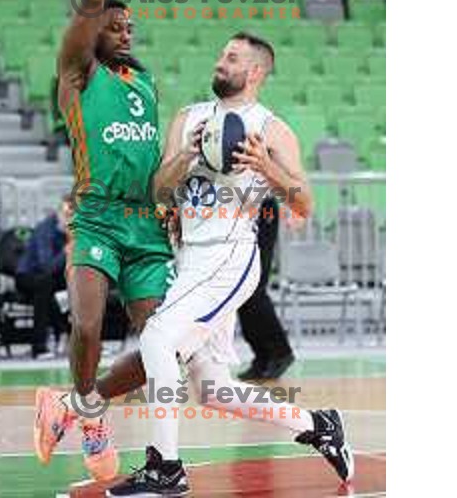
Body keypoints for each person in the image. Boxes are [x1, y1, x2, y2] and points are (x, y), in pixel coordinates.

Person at [107, 32, 354, 496]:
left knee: (159, 338)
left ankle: (165, 468)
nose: (221, 62)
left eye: (232, 58)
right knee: (213, 389)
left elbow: (304, 204)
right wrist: (185, 155)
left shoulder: (272, 129)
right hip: (190, 259)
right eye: (221, 54)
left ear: (256, 72)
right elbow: (160, 191)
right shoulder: (189, 118)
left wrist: (266, 167)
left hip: (231, 254)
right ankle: (318, 424)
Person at [33, 0, 174, 481]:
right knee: (87, 325)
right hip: (96, 217)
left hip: (146, 225)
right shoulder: (77, 70)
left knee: (165, 349)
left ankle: (78, 404)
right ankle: (90, 415)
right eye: (112, 25)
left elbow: (154, 160)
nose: (122, 30)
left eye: (129, 26)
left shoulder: (142, 81)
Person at [237, 195, 296, 381]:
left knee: (255, 287)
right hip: (239, 209)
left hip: (261, 207)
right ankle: (262, 356)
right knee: (241, 291)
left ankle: (280, 352)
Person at [15, 197, 71, 359]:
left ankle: (80, 341)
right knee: (44, 285)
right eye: (68, 215)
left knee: (81, 287)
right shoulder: (45, 230)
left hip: (52, 278)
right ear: (59, 213)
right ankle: (39, 347)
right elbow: (46, 267)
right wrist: (66, 251)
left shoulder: (71, 230)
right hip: (28, 276)